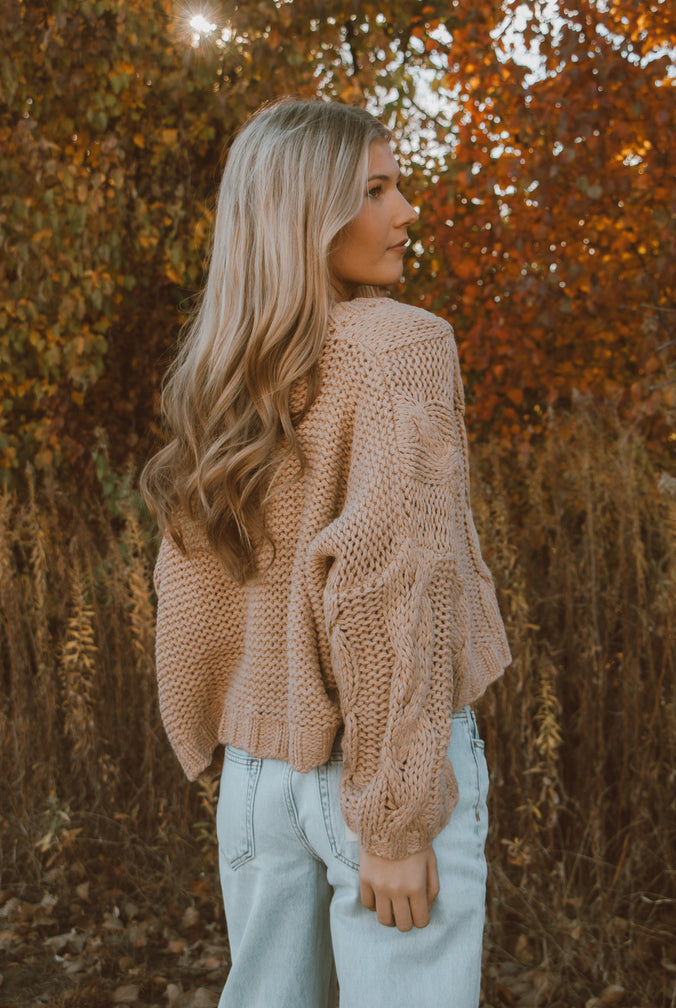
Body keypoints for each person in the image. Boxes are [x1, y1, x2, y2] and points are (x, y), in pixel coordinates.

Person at [141, 97, 511, 1008]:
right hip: (377, 770)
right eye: (375, 190)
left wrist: (228, 740)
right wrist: (396, 818)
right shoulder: (401, 346)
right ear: (306, 214)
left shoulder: (228, 371)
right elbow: (395, 586)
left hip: (256, 781)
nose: (407, 211)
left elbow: (188, 590)